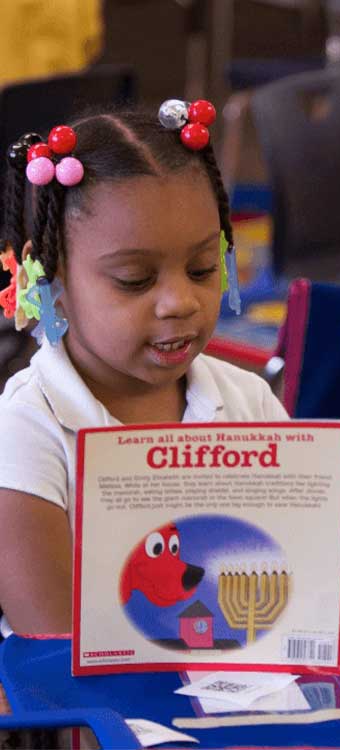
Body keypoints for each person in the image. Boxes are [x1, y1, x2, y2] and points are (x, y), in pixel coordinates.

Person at [0, 102, 289, 635]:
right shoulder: (27, 430)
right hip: (91, 709)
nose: (179, 301)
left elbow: (293, 568)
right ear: (53, 284)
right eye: (135, 280)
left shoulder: (250, 401)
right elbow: (49, 641)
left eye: (203, 268)